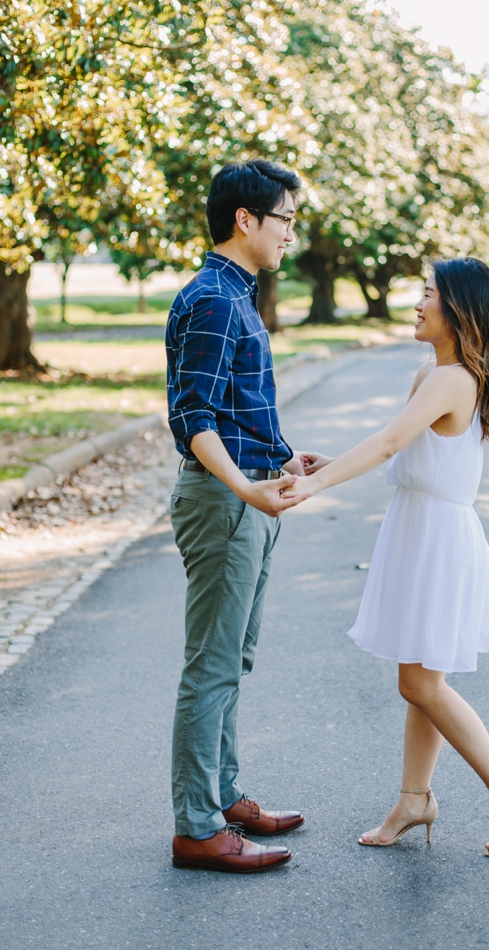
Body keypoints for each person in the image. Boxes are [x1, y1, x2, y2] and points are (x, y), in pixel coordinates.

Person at [284, 258, 489, 857]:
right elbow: (397, 440)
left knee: (420, 682)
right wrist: (332, 464)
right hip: (417, 530)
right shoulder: (434, 372)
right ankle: (415, 798)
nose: (417, 303)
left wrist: (317, 489)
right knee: (421, 676)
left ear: (457, 311)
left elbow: (390, 442)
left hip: (438, 540)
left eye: (427, 295)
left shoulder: (453, 379)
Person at [167, 158, 317, 873]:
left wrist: (280, 460)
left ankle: (223, 797)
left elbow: (234, 408)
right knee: (212, 666)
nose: (292, 233)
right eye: (285, 218)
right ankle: (198, 827)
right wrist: (246, 488)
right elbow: (194, 417)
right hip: (226, 501)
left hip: (251, 496)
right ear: (246, 220)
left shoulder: (236, 296)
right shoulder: (216, 301)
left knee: (234, 660)